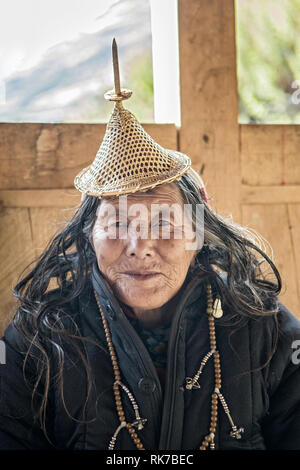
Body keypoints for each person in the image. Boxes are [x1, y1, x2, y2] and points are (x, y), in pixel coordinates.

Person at [0, 40, 300, 451]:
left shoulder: (262, 325)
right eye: (118, 223)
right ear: (89, 237)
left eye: (164, 223)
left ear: (198, 235)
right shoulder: (39, 338)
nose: (140, 247)